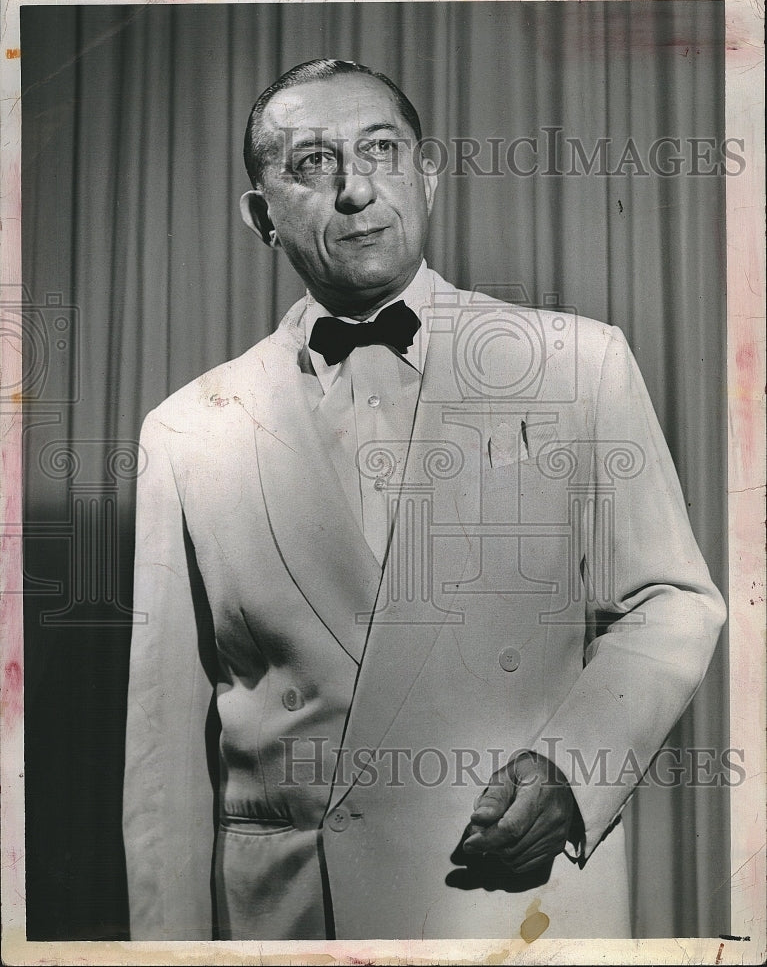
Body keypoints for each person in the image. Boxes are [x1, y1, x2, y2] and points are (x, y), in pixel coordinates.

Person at [122, 59, 726, 941]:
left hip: (511, 901)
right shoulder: (186, 431)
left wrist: (571, 772)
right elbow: (161, 752)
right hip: (295, 919)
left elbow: (669, 601)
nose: (357, 190)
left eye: (380, 150)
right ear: (260, 215)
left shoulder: (577, 363)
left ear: (428, 173)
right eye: (312, 164)